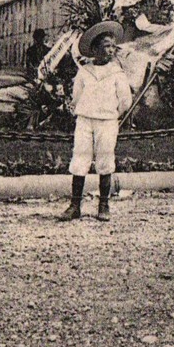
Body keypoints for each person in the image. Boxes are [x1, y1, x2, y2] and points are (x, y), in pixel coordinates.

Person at [59, 21, 132, 223]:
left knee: (105, 160)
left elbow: (125, 101)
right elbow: (76, 96)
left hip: (107, 121)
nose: (110, 50)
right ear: (95, 49)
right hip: (85, 121)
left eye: (112, 46)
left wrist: (112, 114)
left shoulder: (117, 73)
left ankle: (103, 204)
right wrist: (84, 111)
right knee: (80, 160)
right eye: (106, 46)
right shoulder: (84, 72)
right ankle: (75, 205)